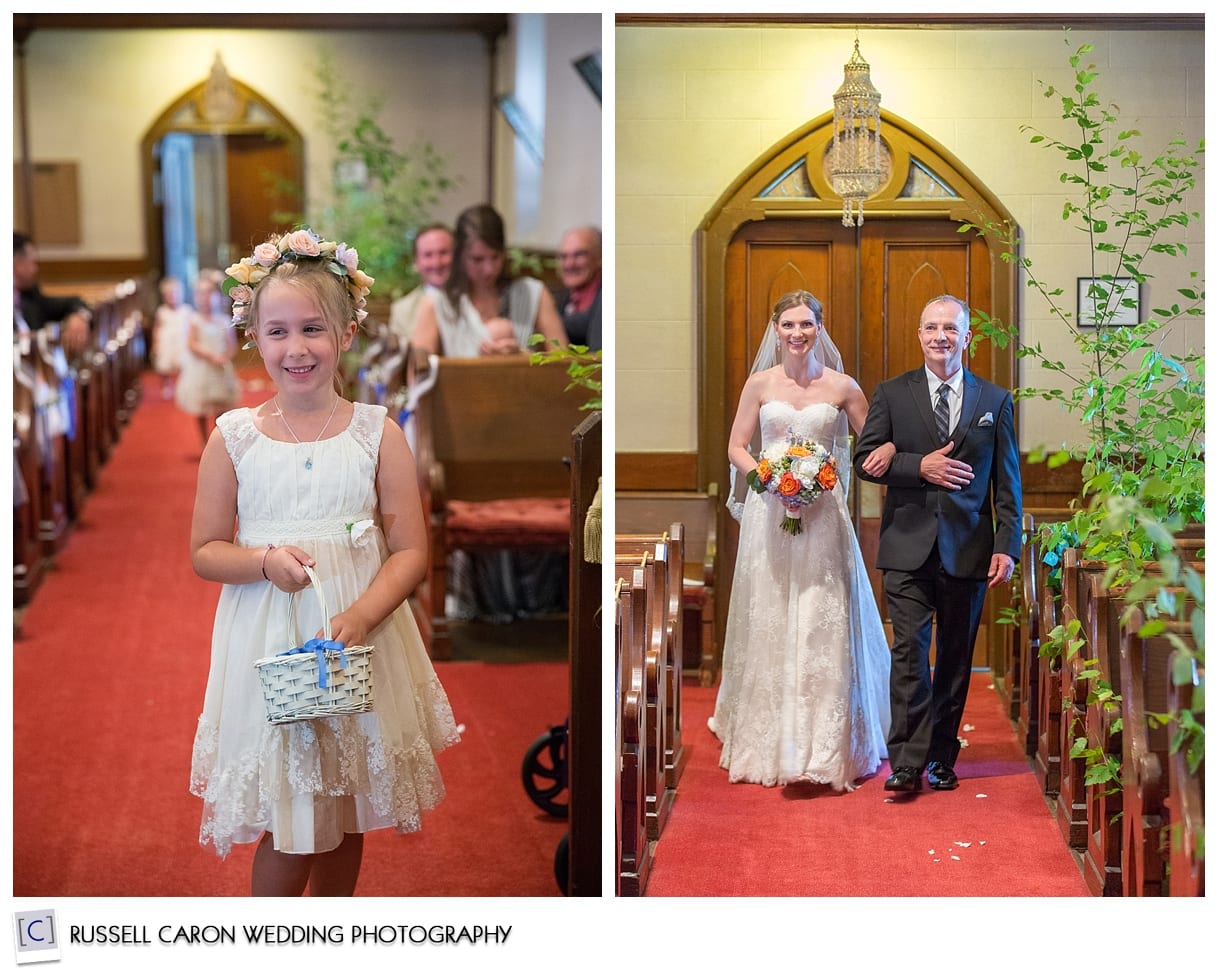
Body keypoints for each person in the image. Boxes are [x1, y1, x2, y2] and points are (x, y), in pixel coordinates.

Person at [188, 228, 460, 895]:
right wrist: (260, 560)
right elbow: (204, 550)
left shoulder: (377, 434)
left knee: (343, 808)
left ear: (346, 332)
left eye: (313, 327)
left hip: (357, 640)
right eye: (277, 331)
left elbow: (411, 550)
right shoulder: (234, 439)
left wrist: (364, 613)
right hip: (274, 645)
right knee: (291, 821)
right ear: (254, 336)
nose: (297, 347)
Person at [708, 289, 893, 790]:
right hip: (770, 514)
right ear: (775, 330)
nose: (797, 334)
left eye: (806, 325)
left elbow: (875, 438)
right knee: (771, 615)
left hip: (823, 518)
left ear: (819, 328)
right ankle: (773, 737)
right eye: (788, 325)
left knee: (820, 619)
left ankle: (823, 745)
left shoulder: (842, 386)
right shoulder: (759, 384)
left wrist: (888, 449)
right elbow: (736, 446)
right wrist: (766, 478)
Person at [853, 294, 1022, 794]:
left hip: (969, 546)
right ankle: (905, 760)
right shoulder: (891, 393)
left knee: (954, 657)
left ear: (966, 337)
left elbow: (1006, 483)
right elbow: (865, 460)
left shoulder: (994, 401)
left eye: (950, 328)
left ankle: (942, 756)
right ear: (919, 336)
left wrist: (1006, 546)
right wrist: (915, 464)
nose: (940, 336)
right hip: (906, 545)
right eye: (931, 328)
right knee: (909, 652)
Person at [412, 203, 568, 357]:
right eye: (477, 259)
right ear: (460, 256)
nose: (489, 269)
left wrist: (521, 356)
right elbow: (419, 375)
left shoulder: (534, 293)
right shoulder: (437, 303)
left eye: (495, 257)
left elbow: (564, 365)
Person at [175, 269, 240, 450]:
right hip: (201, 368)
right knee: (201, 406)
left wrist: (224, 357)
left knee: (220, 407)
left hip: (219, 368)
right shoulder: (194, 319)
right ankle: (204, 442)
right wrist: (210, 355)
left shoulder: (225, 320)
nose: (204, 298)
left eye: (208, 293)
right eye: (200, 294)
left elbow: (232, 346)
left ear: (218, 296)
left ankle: (217, 442)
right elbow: (192, 343)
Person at [14, 231, 91, 356]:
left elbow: (72, 302)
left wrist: (79, 316)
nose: (36, 269)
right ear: (18, 264)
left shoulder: (30, 294)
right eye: (33, 262)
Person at [387, 223, 454, 348]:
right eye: (428, 255)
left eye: (443, 252)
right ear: (416, 262)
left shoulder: (478, 298)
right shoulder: (402, 310)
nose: (436, 263)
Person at [554, 225, 602, 351]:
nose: (570, 264)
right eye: (564, 257)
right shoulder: (563, 297)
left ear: (600, 257)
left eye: (579, 255)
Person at [151, 275, 190, 399]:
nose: (172, 296)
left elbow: (191, 328)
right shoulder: (161, 311)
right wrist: (155, 343)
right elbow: (156, 328)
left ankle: (183, 386)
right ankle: (166, 385)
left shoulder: (186, 310)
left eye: (175, 293)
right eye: (169, 294)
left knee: (183, 365)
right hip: (166, 343)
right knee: (165, 365)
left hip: (182, 342)